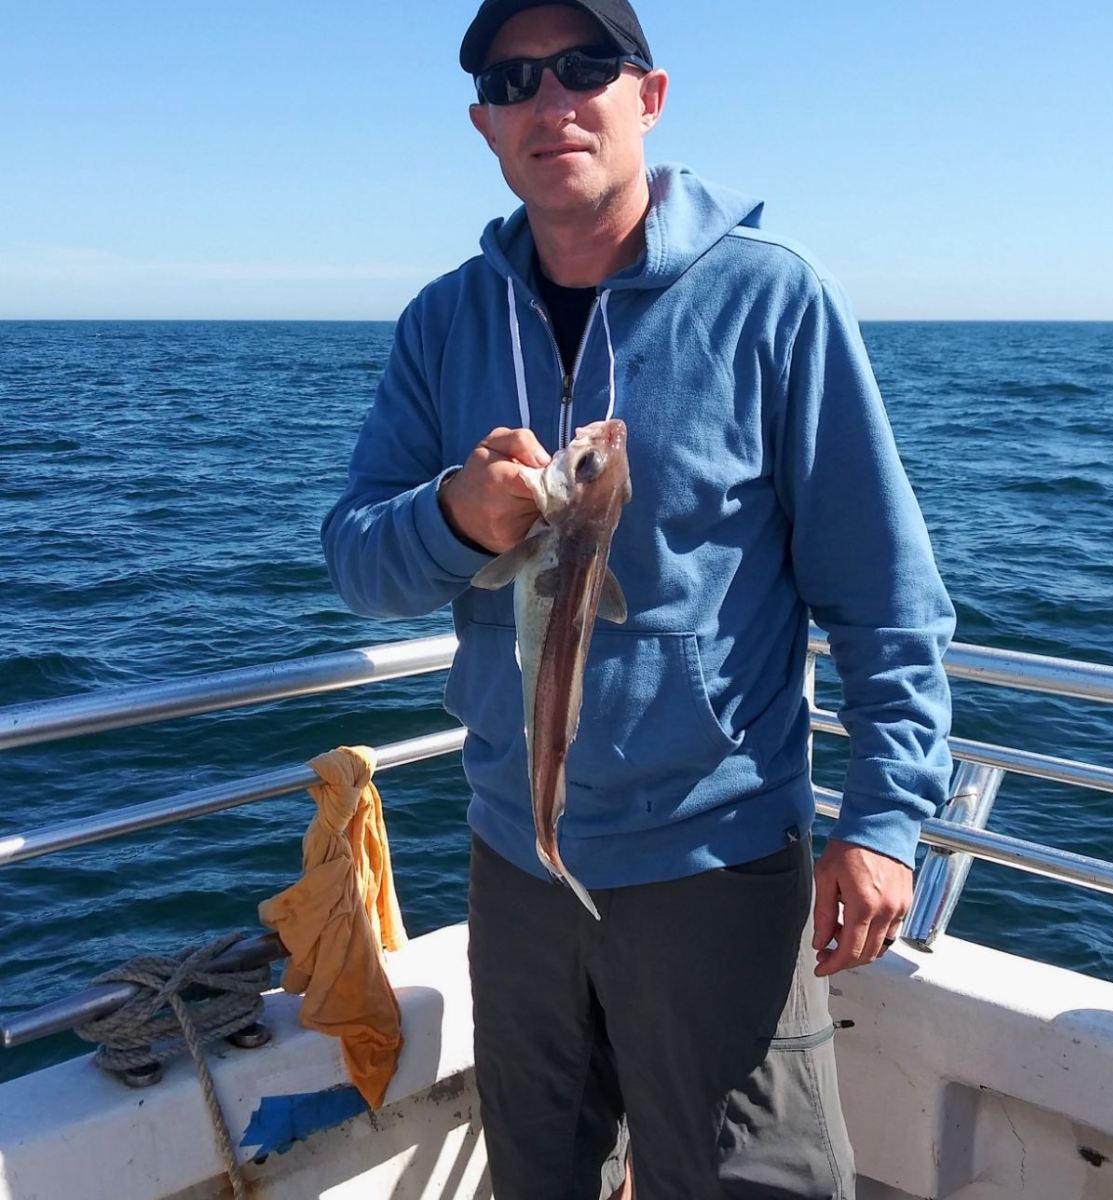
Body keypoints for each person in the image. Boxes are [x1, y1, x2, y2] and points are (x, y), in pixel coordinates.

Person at [321, 1, 955, 1196]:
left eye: (584, 65)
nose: (550, 100)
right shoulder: (444, 323)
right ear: (483, 124)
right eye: (513, 81)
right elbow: (357, 560)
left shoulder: (775, 302)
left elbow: (886, 596)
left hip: (714, 862)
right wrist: (454, 518)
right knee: (540, 1174)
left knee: (754, 1182)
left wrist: (882, 821)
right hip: (517, 862)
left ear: (648, 97)